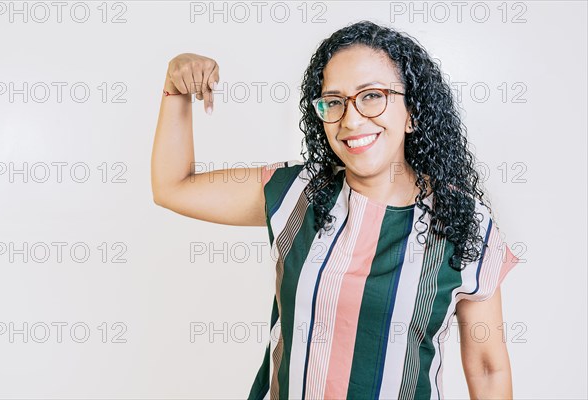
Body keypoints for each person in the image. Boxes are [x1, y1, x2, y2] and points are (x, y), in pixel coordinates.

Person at [151, 20, 520, 400]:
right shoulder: (296, 191)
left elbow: (488, 367)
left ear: (413, 111)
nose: (352, 119)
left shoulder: (464, 220)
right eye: (335, 101)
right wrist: (174, 86)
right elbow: (172, 187)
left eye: (372, 95)